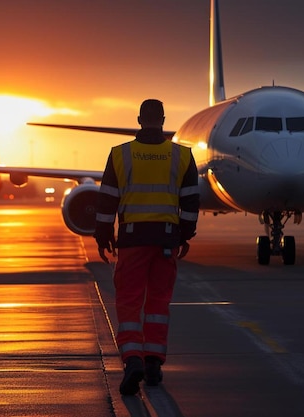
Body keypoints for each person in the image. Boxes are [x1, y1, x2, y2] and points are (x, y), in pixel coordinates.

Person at [94, 98, 200, 395]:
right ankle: (153, 365)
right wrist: (183, 236)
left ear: (139, 120)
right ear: (163, 120)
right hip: (166, 240)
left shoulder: (120, 155)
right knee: (158, 304)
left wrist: (103, 237)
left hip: (132, 239)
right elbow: (191, 202)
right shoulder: (181, 156)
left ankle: (133, 361)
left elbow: (106, 202)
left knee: (129, 302)